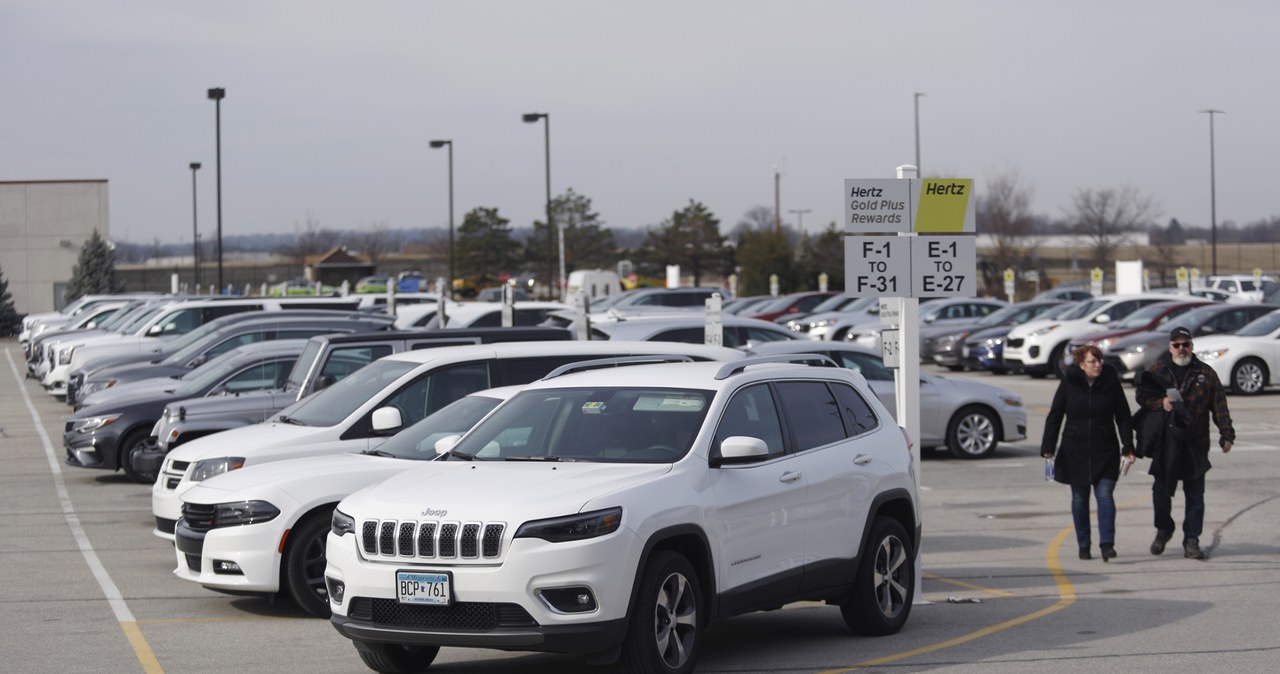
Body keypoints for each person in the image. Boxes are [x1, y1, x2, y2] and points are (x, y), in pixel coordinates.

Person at [1134, 326, 1234, 560]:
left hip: (1195, 443)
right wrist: (1161, 403)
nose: (1182, 349)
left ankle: (1192, 540)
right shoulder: (1159, 369)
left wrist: (1226, 434)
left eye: (1185, 344)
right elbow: (1142, 396)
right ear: (1170, 347)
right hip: (1166, 443)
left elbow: (1219, 404)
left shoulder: (1205, 373)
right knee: (1160, 493)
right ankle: (1164, 529)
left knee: (1195, 497)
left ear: (1192, 346)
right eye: (1177, 345)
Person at [1041, 344, 1135, 561]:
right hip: (1076, 450)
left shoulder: (1111, 382)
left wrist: (1128, 446)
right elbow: (1055, 414)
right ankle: (1084, 544)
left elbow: (1123, 415)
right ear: (1081, 365)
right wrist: (1048, 446)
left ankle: (1107, 544)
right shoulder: (1069, 382)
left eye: (1100, 360)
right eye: (1092, 362)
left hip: (1106, 448)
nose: (1098, 365)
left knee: (1104, 495)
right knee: (1080, 498)